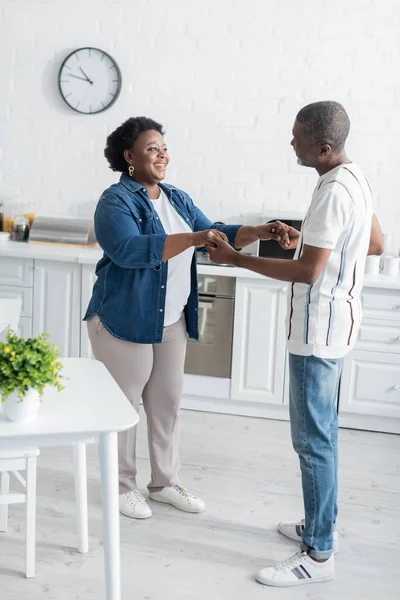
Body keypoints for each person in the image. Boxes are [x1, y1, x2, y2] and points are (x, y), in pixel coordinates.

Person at [207, 101, 384, 587]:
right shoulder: (355, 177)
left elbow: (309, 273)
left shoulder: (331, 191)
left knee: (312, 443)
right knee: (320, 437)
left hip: (317, 332)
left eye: (298, 138)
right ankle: (317, 526)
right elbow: (372, 242)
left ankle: (319, 555)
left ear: (323, 147)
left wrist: (238, 260)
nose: (292, 144)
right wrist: (307, 239)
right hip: (340, 326)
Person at [84, 116, 283, 520]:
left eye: (164, 148)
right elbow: (128, 249)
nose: (162, 155)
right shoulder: (115, 201)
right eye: (152, 148)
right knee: (124, 406)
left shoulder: (176, 197)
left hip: (170, 319)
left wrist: (262, 230)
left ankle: (163, 483)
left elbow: (214, 233)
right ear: (130, 157)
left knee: (166, 403)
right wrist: (194, 238)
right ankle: (121, 486)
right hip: (124, 319)